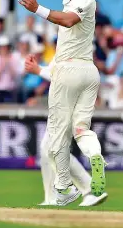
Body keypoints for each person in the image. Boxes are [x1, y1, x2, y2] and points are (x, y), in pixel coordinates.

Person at [17, 0, 106, 206]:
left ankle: (66, 188)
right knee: (81, 130)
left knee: (55, 138)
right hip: (87, 72)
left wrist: (38, 9)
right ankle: (95, 158)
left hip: (68, 71)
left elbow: (67, 21)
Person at [25, 54, 105, 207]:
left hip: (66, 103)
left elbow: (65, 77)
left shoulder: (75, 45)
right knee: (47, 149)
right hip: (63, 101)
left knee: (52, 148)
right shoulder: (65, 46)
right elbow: (55, 71)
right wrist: (40, 69)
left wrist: (38, 70)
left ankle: (87, 190)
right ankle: (51, 198)